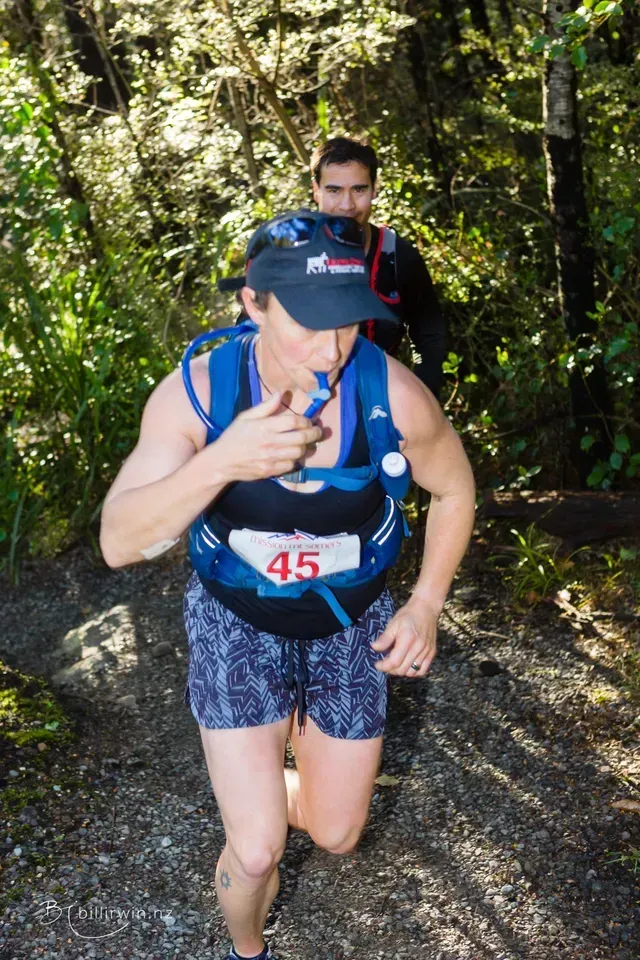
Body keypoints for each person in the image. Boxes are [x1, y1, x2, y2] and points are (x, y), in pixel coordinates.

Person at [99, 210, 475, 960]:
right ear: (253, 305)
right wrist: (222, 462)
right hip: (236, 616)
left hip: (348, 620)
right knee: (259, 848)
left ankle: (271, 778)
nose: (331, 348)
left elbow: (456, 490)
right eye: (308, 322)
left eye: (347, 322)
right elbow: (119, 541)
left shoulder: (392, 395)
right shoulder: (198, 395)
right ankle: (249, 948)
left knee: (335, 833)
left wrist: (427, 601)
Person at [311, 136, 446, 399]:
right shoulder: (288, 254)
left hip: (378, 402)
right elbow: (250, 338)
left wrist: (422, 397)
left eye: (359, 190)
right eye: (334, 190)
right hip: (305, 407)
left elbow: (429, 334)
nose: (347, 205)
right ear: (316, 189)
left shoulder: (397, 256)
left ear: (374, 189)